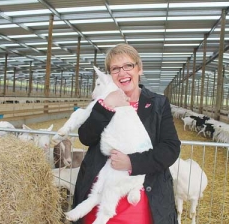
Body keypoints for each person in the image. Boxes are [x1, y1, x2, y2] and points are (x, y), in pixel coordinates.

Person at [72, 43, 181, 224]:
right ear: (109, 75)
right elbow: (85, 137)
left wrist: (132, 162)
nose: (122, 73)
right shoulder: (103, 100)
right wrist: (106, 106)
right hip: (100, 192)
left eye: (128, 66)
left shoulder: (158, 104)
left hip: (142, 198)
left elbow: (170, 147)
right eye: (115, 69)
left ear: (139, 69)